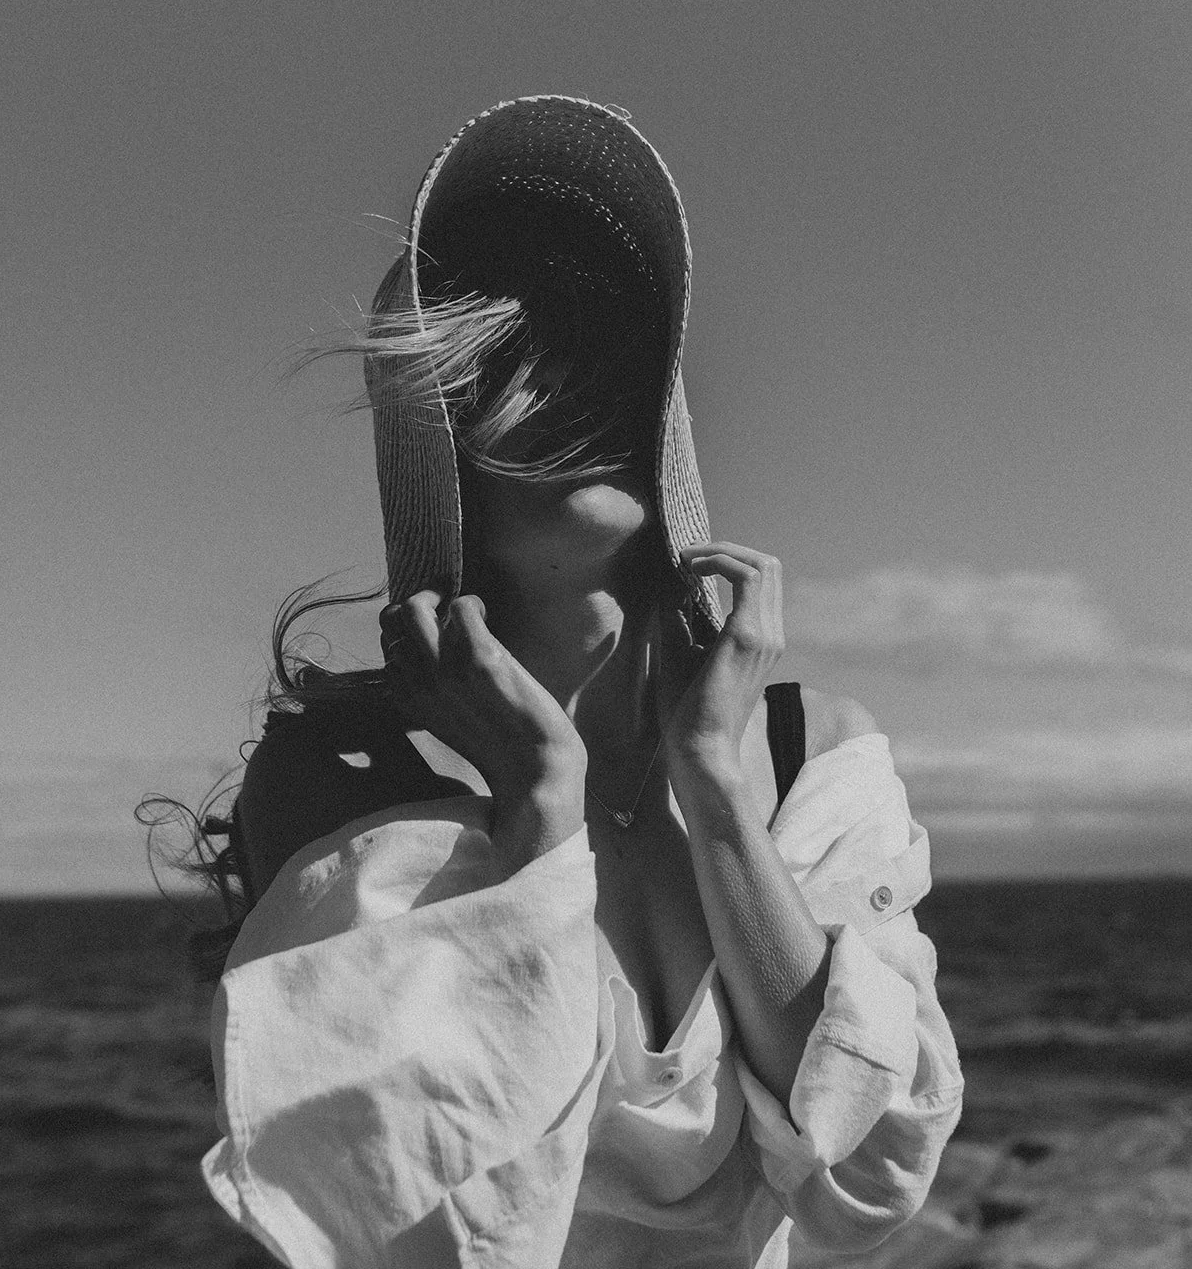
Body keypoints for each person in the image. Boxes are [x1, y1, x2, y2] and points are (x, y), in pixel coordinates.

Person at [195, 96, 963, 1268]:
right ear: (441, 441)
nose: (579, 383)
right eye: (515, 354)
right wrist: (538, 814)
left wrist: (714, 790)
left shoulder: (809, 754)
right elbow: (428, 1237)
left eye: (609, 343)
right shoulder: (343, 789)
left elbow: (868, 1180)